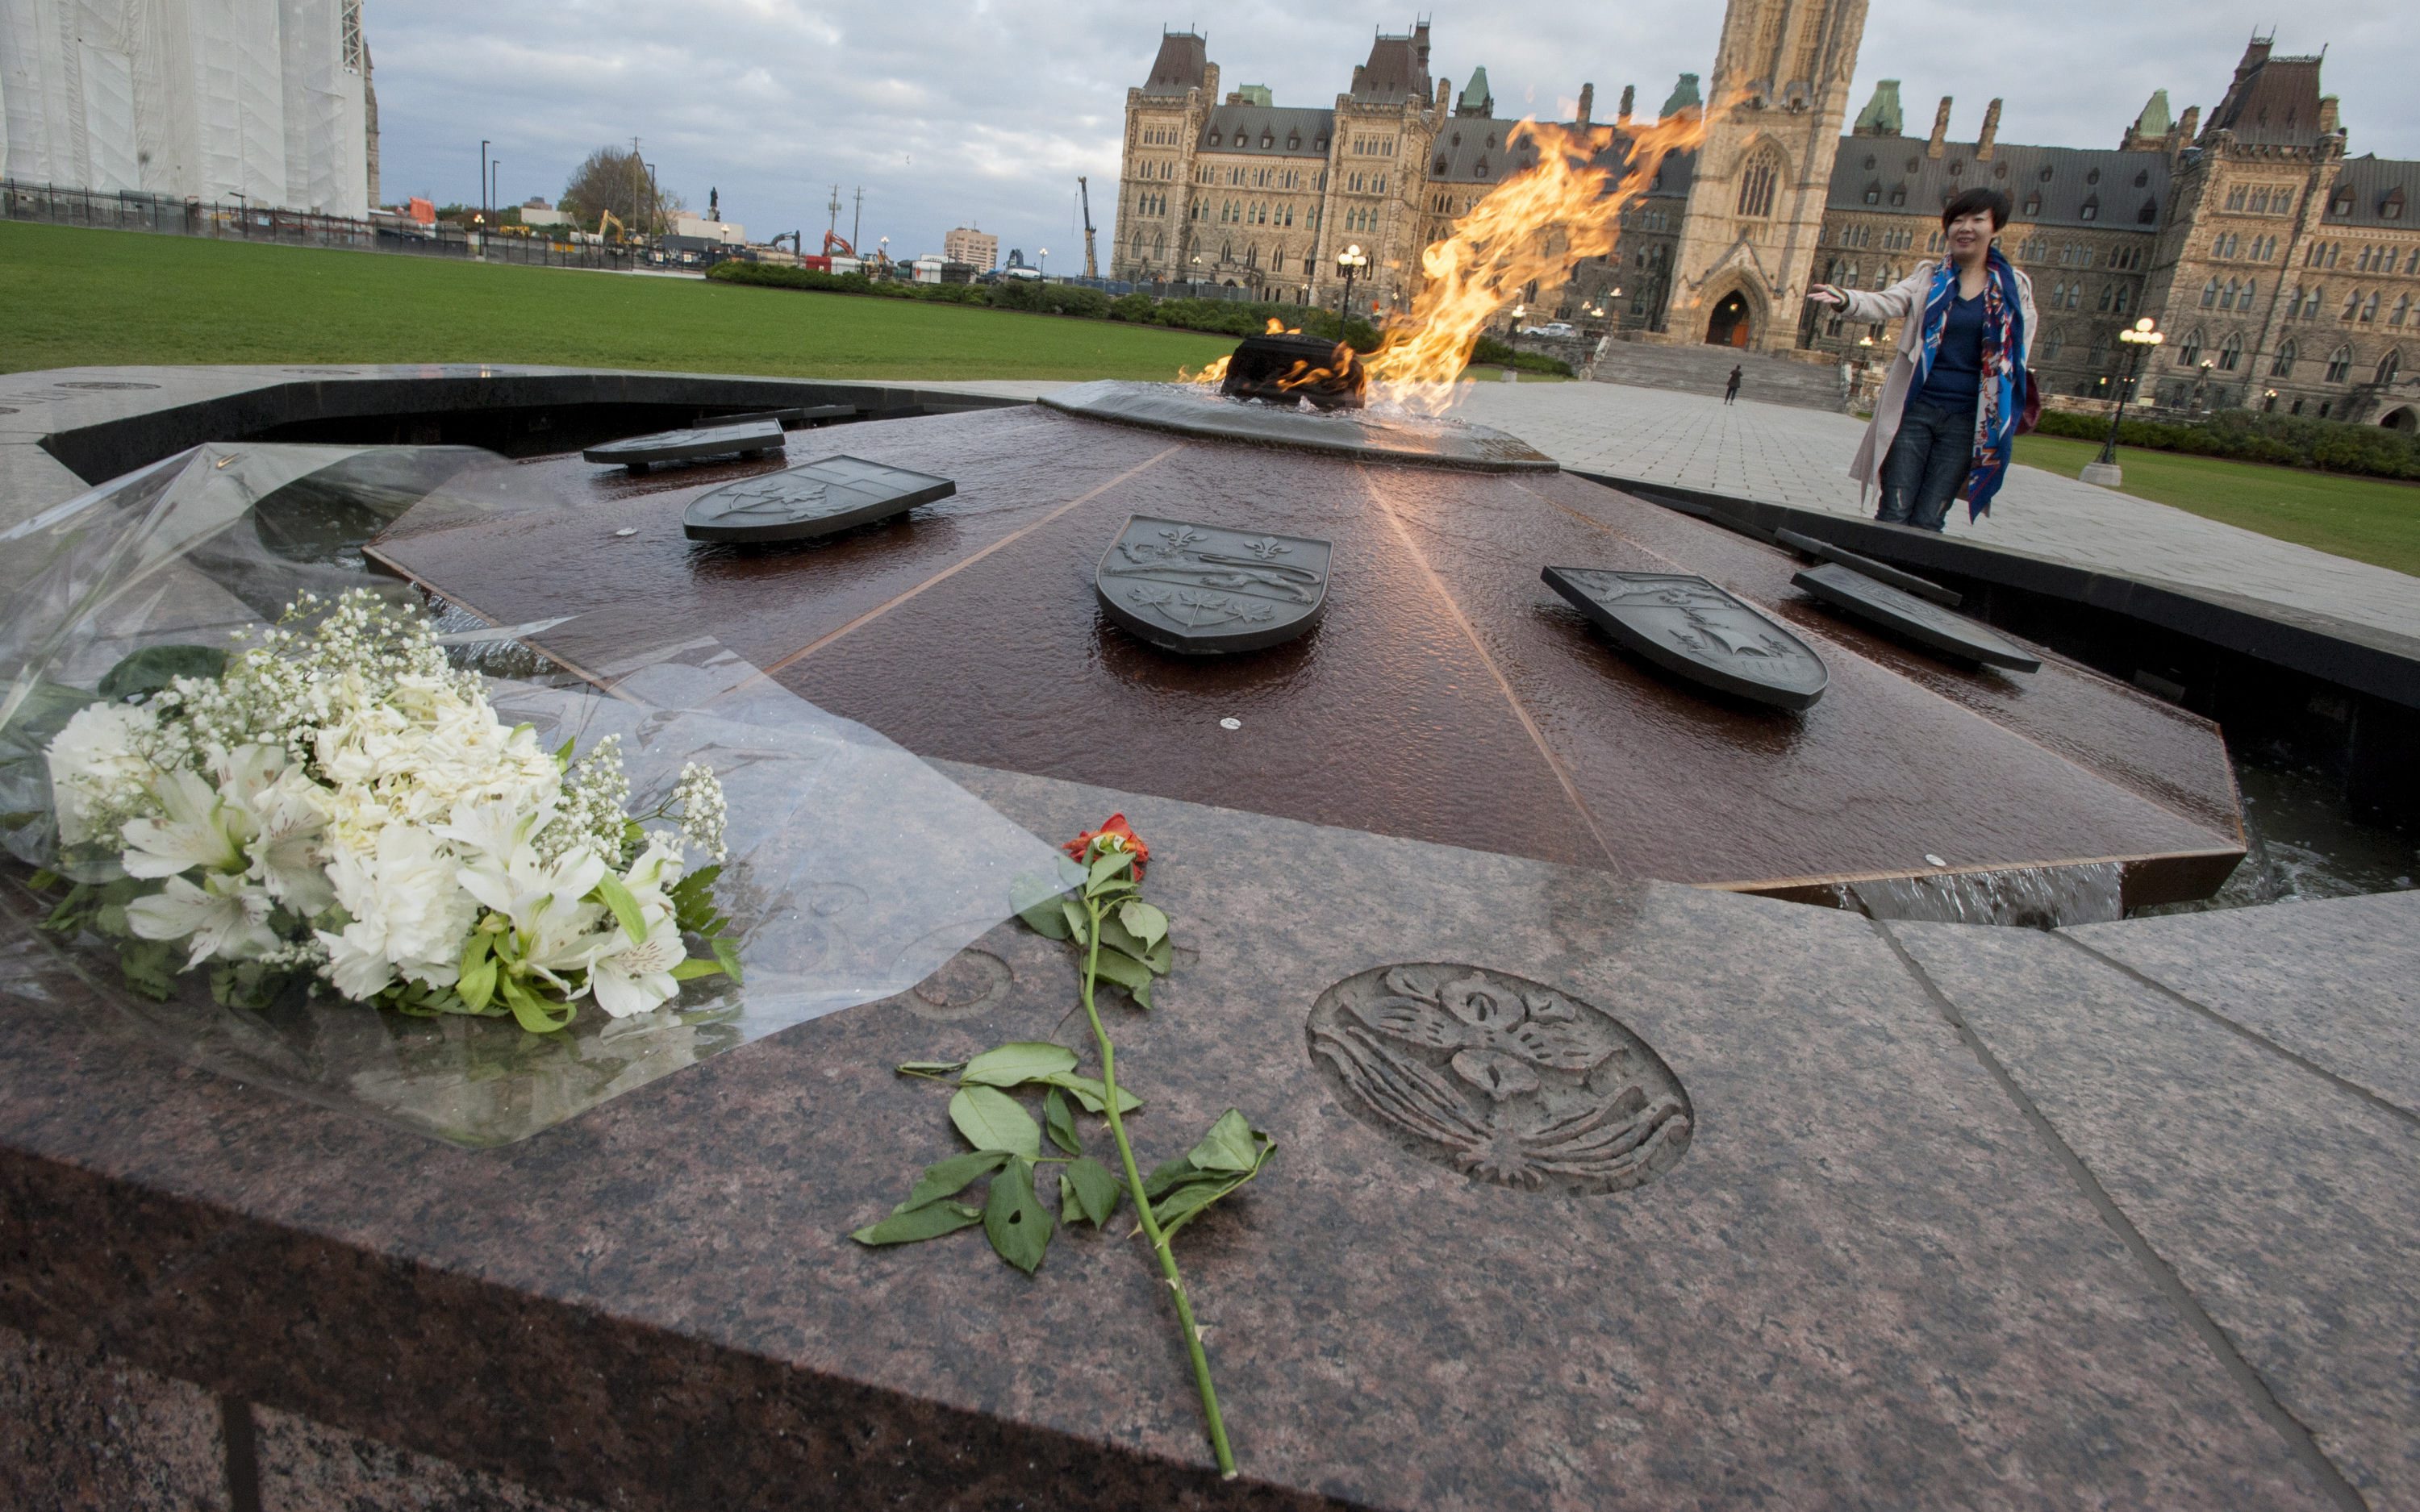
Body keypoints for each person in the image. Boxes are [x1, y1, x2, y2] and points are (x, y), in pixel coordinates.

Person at [1805, 187, 2036, 531]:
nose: (1965, 227)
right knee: (1894, 510)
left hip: (1966, 421)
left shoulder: (2014, 288)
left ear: (1995, 228)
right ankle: (1871, 578)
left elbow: (2018, 355)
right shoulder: (1930, 277)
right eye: (1957, 220)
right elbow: (1887, 301)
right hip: (1915, 412)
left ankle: (1905, 585)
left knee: (1930, 517)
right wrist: (1845, 299)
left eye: (1976, 220)